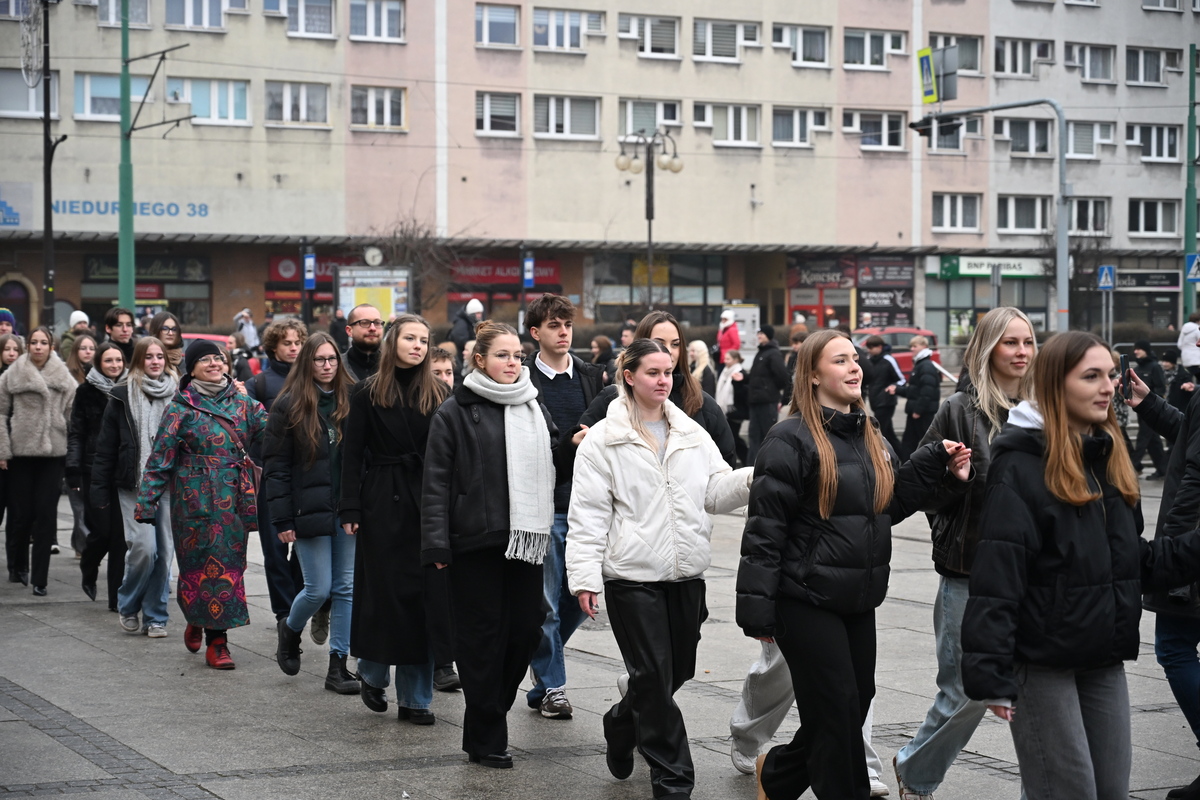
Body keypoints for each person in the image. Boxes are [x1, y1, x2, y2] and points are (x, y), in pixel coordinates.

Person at [961, 331, 1200, 800]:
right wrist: (990, 673)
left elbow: (1137, 563)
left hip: (1103, 657)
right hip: (1042, 663)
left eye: (1110, 374)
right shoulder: (1021, 464)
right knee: (1069, 791)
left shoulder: (1107, 456)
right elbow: (997, 576)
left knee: (1111, 790)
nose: (1108, 386)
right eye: (1091, 376)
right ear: (1055, 385)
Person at [736, 329, 971, 800]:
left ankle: (778, 774)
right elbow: (765, 531)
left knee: (853, 702)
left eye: (855, 358)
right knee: (837, 707)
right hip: (803, 598)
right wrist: (757, 610)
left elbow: (886, 505)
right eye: (840, 360)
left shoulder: (870, 433)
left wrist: (938, 469)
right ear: (814, 374)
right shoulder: (789, 438)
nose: (854, 367)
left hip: (857, 597)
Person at [567, 338, 754, 798]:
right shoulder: (603, 441)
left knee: (675, 673)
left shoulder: (692, 432)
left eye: (669, 371)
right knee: (652, 675)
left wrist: (755, 476)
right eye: (653, 372)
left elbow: (714, 492)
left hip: (686, 574)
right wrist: (585, 577)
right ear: (628, 376)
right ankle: (674, 778)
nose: (663, 380)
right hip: (631, 577)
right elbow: (588, 515)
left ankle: (620, 720)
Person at [893, 307, 1036, 800]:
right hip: (968, 569)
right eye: (1010, 342)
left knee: (1038, 690)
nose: (1021, 352)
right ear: (987, 348)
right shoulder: (958, 409)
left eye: (1028, 342)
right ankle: (915, 772)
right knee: (965, 690)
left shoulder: (1048, 408)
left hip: (1035, 573)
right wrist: (956, 481)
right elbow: (920, 492)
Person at [421, 321, 568, 768]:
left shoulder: (533, 403)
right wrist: (436, 546)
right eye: (502, 355)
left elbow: (551, 457)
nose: (512, 363)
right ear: (480, 360)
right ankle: (486, 736)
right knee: (482, 640)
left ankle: (488, 715)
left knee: (526, 630)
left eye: (517, 356)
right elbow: (436, 483)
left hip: (525, 543)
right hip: (473, 543)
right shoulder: (455, 409)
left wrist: (577, 444)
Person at [340, 316, 452, 719]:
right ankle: (372, 672)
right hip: (382, 501)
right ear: (393, 342)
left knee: (423, 599)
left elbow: (448, 456)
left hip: (427, 501)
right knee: (383, 597)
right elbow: (352, 453)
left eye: (424, 340)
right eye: (410, 338)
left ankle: (416, 699)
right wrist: (349, 507)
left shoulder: (438, 392)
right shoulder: (368, 392)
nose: (419, 346)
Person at [135, 339, 268, 669]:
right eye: (205, 360)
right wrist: (147, 503)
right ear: (191, 368)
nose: (214, 364)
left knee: (229, 568)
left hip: (233, 500)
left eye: (218, 358)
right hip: (192, 501)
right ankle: (208, 630)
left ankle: (212, 634)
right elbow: (160, 458)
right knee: (199, 569)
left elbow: (275, 433)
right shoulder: (180, 408)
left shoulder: (243, 403)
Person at [522, 295, 605, 720]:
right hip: (546, 503)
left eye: (567, 324)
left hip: (589, 506)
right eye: (554, 325)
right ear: (536, 333)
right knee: (548, 604)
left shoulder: (592, 377)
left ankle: (541, 673)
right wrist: (567, 445)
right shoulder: (522, 381)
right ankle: (554, 686)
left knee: (579, 598)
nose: (564, 332)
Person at [265, 332, 361, 694]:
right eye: (319, 360)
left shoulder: (353, 400)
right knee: (318, 589)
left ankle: (338, 666)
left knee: (346, 587)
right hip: (308, 510)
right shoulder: (288, 405)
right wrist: (282, 519)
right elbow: (276, 468)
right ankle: (290, 629)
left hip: (346, 509)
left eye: (332, 359)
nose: (326, 366)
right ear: (307, 363)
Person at [90, 336, 177, 635]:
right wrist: (98, 490)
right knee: (144, 548)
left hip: (169, 486)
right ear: (138, 361)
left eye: (160, 356)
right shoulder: (121, 395)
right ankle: (127, 602)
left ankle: (155, 616)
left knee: (164, 554)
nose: (155, 361)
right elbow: (106, 448)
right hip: (134, 485)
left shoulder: (180, 395)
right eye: (149, 357)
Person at [579, 311, 737, 468]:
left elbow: (723, 468)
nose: (668, 351)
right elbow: (582, 458)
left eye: (675, 344)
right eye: (659, 343)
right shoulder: (612, 399)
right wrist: (573, 442)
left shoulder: (702, 403)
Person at [0, 327, 76, 595]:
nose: (39, 347)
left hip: (53, 453)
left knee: (46, 515)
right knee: (20, 515)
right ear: (27, 345)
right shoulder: (13, 373)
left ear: (52, 346)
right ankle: (17, 566)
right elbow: (0, 413)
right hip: (20, 452)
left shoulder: (63, 376)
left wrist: (68, 445)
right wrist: (3, 451)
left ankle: (40, 579)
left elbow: (72, 414)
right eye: (34, 342)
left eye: (44, 342)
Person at [247, 318, 308, 628]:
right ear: (274, 346)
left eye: (298, 342)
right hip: (271, 476)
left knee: (305, 546)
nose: (294, 348)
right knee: (274, 550)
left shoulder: (313, 380)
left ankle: (300, 601)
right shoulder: (258, 384)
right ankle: (284, 613)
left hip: (307, 477)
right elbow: (247, 429)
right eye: (287, 342)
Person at [70, 342, 127, 609]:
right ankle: (89, 563)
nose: (114, 365)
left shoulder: (129, 390)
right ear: (98, 364)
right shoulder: (86, 391)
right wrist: (72, 470)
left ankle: (116, 598)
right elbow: (77, 433)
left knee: (119, 538)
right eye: (108, 361)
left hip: (122, 472)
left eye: (118, 360)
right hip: (92, 471)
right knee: (101, 533)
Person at [746, 325, 789, 465]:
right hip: (756, 400)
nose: (759, 336)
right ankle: (752, 468)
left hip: (767, 401)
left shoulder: (773, 354)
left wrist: (769, 389)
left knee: (767, 435)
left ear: (769, 336)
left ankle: (769, 466)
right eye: (758, 333)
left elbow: (783, 377)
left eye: (762, 334)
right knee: (754, 436)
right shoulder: (761, 353)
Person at [894, 335, 941, 461]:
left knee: (921, 441)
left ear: (924, 346)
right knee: (911, 441)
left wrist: (918, 410)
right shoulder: (922, 365)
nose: (912, 349)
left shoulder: (925, 366)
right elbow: (916, 390)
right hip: (918, 411)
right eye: (911, 346)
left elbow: (927, 391)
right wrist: (898, 390)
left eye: (915, 346)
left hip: (921, 413)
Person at [859, 335, 905, 455]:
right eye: (867, 347)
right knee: (889, 433)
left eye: (871, 347)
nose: (868, 350)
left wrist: (893, 387)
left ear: (880, 347)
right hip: (875, 400)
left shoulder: (888, 360)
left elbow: (901, 379)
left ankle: (882, 458)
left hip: (886, 400)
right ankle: (902, 456)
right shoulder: (870, 360)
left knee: (880, 431)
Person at [1131, 339, 1168, 478]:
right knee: (1153, 441)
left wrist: (1153, 402)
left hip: (1151, 409)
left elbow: (1160, 387)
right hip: (1140, 410)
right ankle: (1163, 469)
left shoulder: (1154, 366)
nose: (1135, 351)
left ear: (1145, 350)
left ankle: (1132, 467)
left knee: (1143, 437)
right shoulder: (1137, 368)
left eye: (1138, 349)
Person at [715, 349, 749, 467]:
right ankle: (745, 460)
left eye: (728, 359)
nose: (725, 361)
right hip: (728, 412)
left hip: (735, 411)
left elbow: (742, 393)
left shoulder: (740, 372)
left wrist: (738, 382)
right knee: (733, 438)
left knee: (733, 439)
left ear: (735, 360)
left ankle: (746, 460)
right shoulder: (726, 371)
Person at [344, 304, 383, 381]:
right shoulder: (335, 367)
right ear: (349, 331)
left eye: (377, 323)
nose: (373, 328)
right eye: (365, 323)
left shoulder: (394, 367)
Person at [1179, 310, 1200, 380]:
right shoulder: (1197, 329)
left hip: (1186, 358)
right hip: (1196, 359)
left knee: (1188, 379)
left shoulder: (1184, 329)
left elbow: (1179, 344)